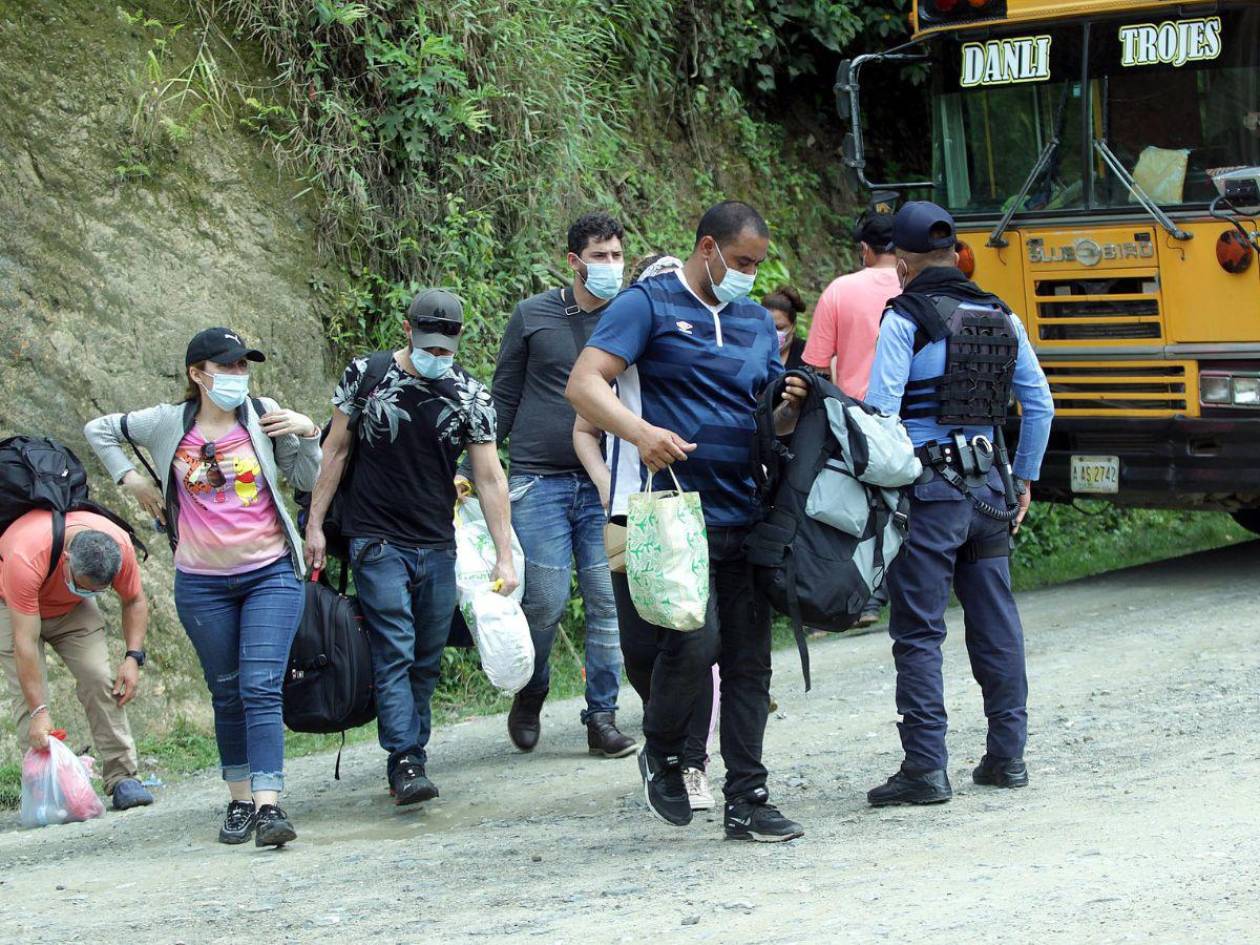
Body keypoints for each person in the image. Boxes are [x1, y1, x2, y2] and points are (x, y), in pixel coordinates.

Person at [566, 200, 808, 841]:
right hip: (668, 512)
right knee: (693, 644)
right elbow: (584, 386)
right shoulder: (645, 306)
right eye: (743, 261)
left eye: (758, 264)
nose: (750, 274)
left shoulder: (758, 322)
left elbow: (766, 422)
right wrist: (641, 433)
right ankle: (665, 751)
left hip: (746, 511)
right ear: (708, 248)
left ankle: (748, 798)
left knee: (751, 663)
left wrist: (789, 411)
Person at [85, 327, 321, 845]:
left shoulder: (262, 413)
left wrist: (306, 433)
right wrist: (132, 479)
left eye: (244, 367)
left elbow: (305, 478)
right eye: (228, 367)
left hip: (270, 573)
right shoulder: (168, 423)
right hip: (202, 584)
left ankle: (268, 807)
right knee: (227, 690)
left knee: (260, 687)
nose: (239, 376)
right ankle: (239, 801)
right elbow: (98, 429)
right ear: (198, 374)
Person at [863, 201, 1054, 807]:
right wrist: (1022, 480)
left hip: (928, 494)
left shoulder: (906, 317)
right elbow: (1040, 407)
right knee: (995, 620)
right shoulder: (1002, 316)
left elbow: (879, 415)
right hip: (990, 492)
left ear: (902, 262)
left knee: (918, 631)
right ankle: (1007, 757)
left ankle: (925, 768)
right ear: (955, 254)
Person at [305, 288, 518, 807]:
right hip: (376, 538)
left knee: (426, 654)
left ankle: (411, 752)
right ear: (407, 331)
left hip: (436, 542)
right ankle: (403, 758)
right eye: (428, 347)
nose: (436, 357)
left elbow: (489, 477)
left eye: (446, 349)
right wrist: (314, 524)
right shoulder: (367, 375)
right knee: (394, 646)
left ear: (459, 341)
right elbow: (333, 450)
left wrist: (505, 552)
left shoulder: (470, 396)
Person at [470, 212, 635, 758]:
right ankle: (532, 691)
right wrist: (471, 469)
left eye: (617, 255)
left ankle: (602, 715)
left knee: (607, 601)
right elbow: (502, 398)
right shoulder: (532, 315)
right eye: (600, 256)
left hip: (607, 482)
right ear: (574, 261)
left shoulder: (632, 317)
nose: (611, 266)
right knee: (543, 599)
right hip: (537, 480)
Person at [573, 250, 719, 811]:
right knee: (639, 647)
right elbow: (583, 427)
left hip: (688, 514)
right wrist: (609, 480)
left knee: (692, 637)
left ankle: (689, 762)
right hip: (628, 516)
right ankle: (667, 744)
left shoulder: (704, 349)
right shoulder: (622, 353)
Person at [0, 514, 154, 812]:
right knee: (27, 696)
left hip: (71, 609)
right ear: (66, 559)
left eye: (98, 590)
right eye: (83, 585)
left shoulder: (119, 547)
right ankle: (45, 791)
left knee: (98, 676)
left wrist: (133, 657)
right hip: (12, 605)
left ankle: (122, 776)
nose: (92, 592)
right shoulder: (27, 554)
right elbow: (25, 643)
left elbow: (134, 600)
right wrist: (40, 710)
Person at [802, 210, 901, 627]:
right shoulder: (916, 284)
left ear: (864, 250)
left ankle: (867, 596)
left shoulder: (841, 291)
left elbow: (815, 365)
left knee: (868, 511)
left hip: (859, 422)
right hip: (914, 416)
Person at [801, 210, 900, 399]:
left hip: (856, 413)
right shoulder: (918, 288)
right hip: (908, 413)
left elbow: (819, 365)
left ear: (865, 248)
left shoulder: (839, 289)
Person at [762, 286, 807, 369]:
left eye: (779, 328)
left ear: (793, 326)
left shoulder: (806, 354)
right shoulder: (752, 348)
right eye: (767, 327)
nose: (772, 333)